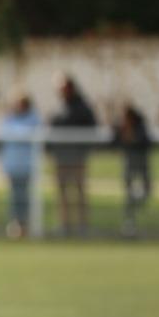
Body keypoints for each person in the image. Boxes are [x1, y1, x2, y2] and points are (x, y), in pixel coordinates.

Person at [49, 73, 97, 237]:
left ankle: (83, 226)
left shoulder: (82, 107)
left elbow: (91, 129)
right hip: (61, 158)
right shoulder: (60, 108)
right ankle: (64, 225)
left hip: (77, 158)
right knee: (62, 193)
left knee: (79, 192)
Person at [0, 92, 40, 239]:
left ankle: (25, 224)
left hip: (26, 165)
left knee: (24, 196)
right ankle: (15, 224)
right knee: (14, 196)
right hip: (13, 165)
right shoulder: (9, 119)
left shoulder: (33, 119)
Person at [116, 104, 153, 237]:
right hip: (130, 167)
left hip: (141, 166)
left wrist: (131, 138)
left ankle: (132, 221)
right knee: (129, 196)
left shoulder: (141, 128)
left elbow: (145, 142)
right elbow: (115, 142)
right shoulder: (122, 128)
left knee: (145, 192)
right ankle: (129, 225)